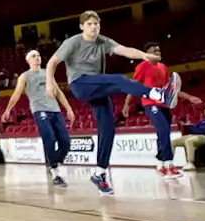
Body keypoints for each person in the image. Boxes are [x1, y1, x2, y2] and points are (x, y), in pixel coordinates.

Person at [44, 11, 169, 195]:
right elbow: (52, 62)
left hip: (98, 87)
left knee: (108, 129)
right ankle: (154, 93)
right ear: (82, 27)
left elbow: (124, 50)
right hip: (80, 84)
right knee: (118, 79)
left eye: (96, 23)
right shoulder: (73, 42)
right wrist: (49, 83)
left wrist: (144, 55)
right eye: (90, 24)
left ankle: (100, 173)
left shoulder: (103, 41)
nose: (94, 27)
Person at [122, 42, 201, 179]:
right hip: (150, 103)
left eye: (159, 50)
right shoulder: (142, 66)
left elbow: (170, 88)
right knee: (163, 130)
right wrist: (126, 104)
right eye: (154, 51)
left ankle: (160, 165)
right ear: (147, 54)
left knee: (163, 133)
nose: (158, 52)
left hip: (163, 104)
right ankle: (169, 166)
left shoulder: (163, 67)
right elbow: (132, 86)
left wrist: (189, 97)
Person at [2, 49, 75, 187]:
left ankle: (53, 162)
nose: (37, 58)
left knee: (65, 142)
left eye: (39, 55)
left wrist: (69, 108)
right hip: (39, 111)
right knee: (50, 139)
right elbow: (17, 94)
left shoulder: (48, 74)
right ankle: (54, 171)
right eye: (34, 56)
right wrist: (8, 109)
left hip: (55, 110)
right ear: (28, 60)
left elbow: (58, 92)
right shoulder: (25, 76)